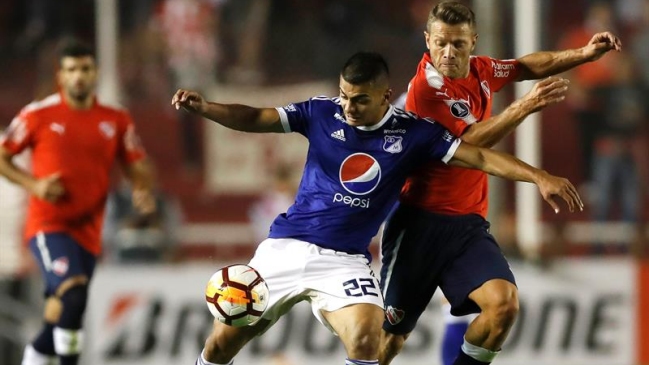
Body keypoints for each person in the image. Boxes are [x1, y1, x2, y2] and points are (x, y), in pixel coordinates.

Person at [171, 51, 583, 365]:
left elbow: (478, 158)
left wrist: (538, 176)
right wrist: (207, 108)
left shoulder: (415, 134)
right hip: (286, 247)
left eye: (360, 100)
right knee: (224, 342)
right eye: (345, 96)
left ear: (386, 96)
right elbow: (257, 116)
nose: (348, 108)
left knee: (370, 335)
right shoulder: (320, 111)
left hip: (345, 261)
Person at [378, 2, 622, 365]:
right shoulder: (424, 92)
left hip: (466, 226)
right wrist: (523, 108)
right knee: (389, 342)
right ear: (427, 40)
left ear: (473, 42)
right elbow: (470, 145)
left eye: (458, 44)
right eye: (441, 43)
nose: (449, 52)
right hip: (418, 226)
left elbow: (525, 66)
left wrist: (584, 54)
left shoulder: (481, 70)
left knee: (503, 306)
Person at [0, 39, 156, 365]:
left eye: (85, 69)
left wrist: (141, 187)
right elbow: (3, 157)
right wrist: (35, 185)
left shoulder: (115, 119)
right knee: (73, 296)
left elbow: (136, 163)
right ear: (61, 76)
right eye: (72, 70)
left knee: (59, 314)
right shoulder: (37, 115)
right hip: (48, 226)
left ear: (95, 72)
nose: (79, 76)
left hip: (88, 232)